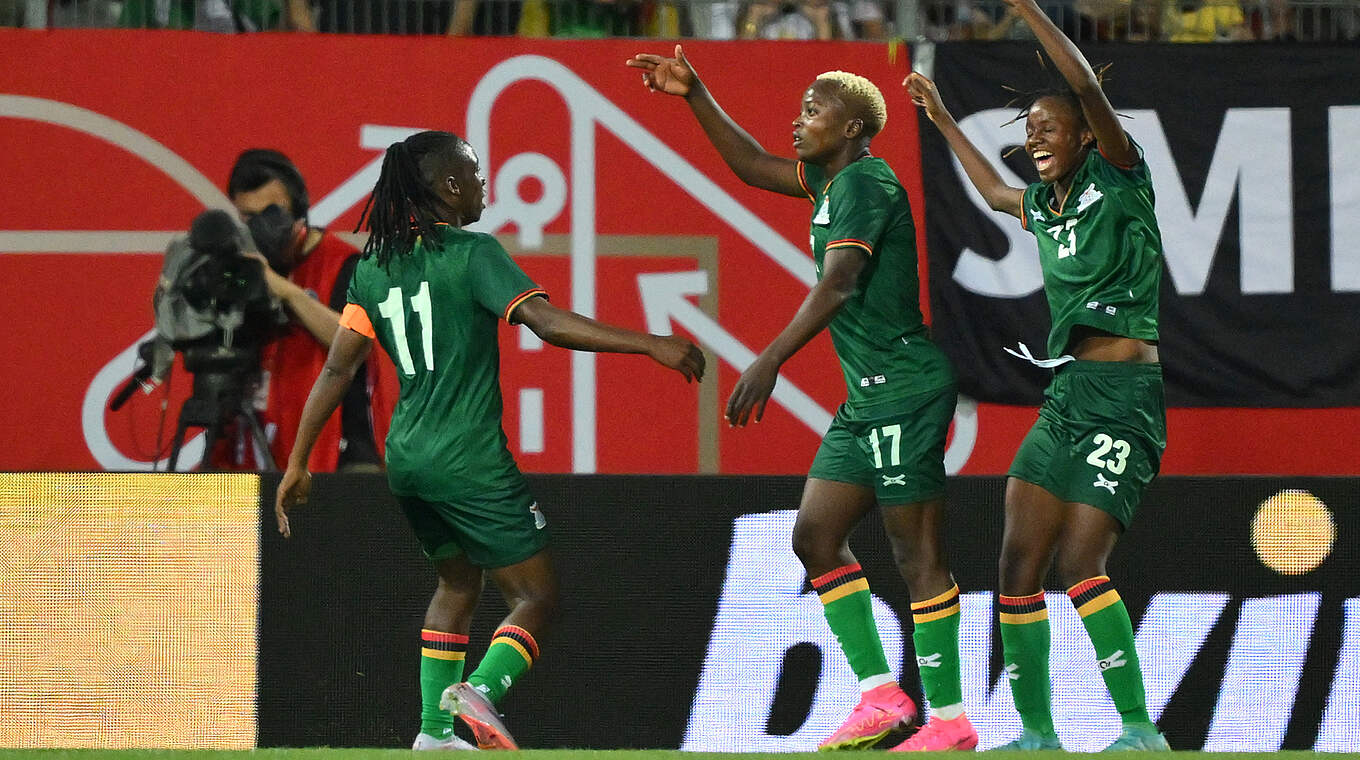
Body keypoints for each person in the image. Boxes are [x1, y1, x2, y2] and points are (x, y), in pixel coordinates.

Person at [273, 130, 705, 751]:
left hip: (408, 461)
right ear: (449, 187)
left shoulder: (374, 268)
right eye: (474, 174)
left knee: (456, 585)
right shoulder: (472, 254)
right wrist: (649, 342)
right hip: (467, 458)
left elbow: (340, 368)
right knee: (537, 595)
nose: (482, 185)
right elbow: (545, 321)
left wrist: (296, 461)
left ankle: (433, 734)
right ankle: (480, 693)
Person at [626, 46, 976, 752]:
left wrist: (769, 359)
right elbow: (752, 164)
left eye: (814, 112)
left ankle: (951, 721)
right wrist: (695, 94)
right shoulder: (830, 184)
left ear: (852, 128)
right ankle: (881, 694)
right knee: (814, 537)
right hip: (867, 400)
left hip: (905, 392)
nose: (799, 121)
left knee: (917, 557)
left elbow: (840, 282)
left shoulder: (867, 185)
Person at [906, 0, 1169, 750]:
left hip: (1125, 397)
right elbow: (992, 193)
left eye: (1050, 128)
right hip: (1067, 399)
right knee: (1018, 562)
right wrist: (942, 116)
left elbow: (1084, 83)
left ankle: (1139, 728)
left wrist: (1024, 9)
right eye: (1030, 132)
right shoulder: (1045, 210)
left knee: (1082, 560)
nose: (1037, 139)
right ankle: (1036, 734)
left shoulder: (1120, 179)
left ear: (1087, 135)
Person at [220, 149, 388, 473]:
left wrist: (285, 292)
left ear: (299, 209)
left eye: (271, 213)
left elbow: (356, 341)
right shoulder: (244, 269)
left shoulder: (344, 265)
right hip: (264, 446)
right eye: (248, 218)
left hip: (342, 454)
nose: (261, 228)